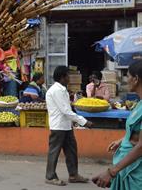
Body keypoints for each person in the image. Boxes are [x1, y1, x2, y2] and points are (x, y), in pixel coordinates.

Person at [92, 60, 142, 189]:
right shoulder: (139, 103)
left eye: (128, 76)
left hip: (136, 171)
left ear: (136, 79)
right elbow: (136, 131)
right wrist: (123, 140)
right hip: (126, 167)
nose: (126, 80)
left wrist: (112, 172)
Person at [45, 65, 93, 186]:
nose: (69, 78)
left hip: (66, 125)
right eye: (68, 75)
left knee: (71, 150)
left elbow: (66, 109)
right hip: (58, 126)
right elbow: (65, 110)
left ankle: (73, 174)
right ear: (62, 77)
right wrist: (83, 121)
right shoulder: (56, 91)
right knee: (54, 151)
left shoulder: (62, 89)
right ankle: (50, 176)